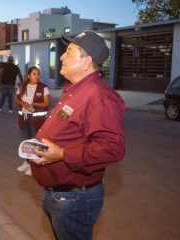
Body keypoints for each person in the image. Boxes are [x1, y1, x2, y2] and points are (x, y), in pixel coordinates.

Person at [31, 31, 125, 239]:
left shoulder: (100, 97)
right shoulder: (75, 89)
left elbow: (112, 148)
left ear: (86, 62)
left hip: (74, 201)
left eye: (69, 52)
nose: (62, 56)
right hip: (59, 195)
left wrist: (62, 154)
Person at [15, 66, 50, 176]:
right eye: (34, 74)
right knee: (26, 141)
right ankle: (27, 162)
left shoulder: (44, 88)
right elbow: (17, 98)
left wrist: (34, 104)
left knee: (35, 142)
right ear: (29, 76)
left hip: (37, 119)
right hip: (24, 117)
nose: (37, 76)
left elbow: (46, 103)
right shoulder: (23, 86)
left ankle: (34, 166)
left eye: (38, 74)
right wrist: (23, 103)